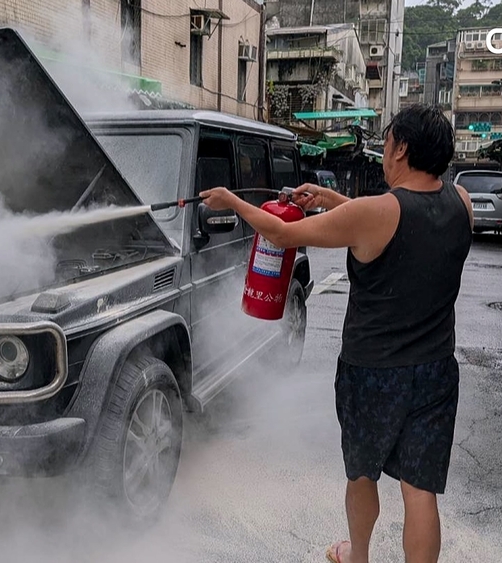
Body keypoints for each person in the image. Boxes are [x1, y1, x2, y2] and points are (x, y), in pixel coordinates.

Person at [200, 103, 474, 563]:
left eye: (387, 142)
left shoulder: (376, 212)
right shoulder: (460, 202)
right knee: (420, 490)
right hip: (435, 371)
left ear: (402, 148)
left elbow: (283, 235)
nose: (384, 151)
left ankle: (358, 554)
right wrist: (330, 202)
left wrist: (231, 200)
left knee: (362, 475)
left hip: (373, 372)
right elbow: (392, 222)